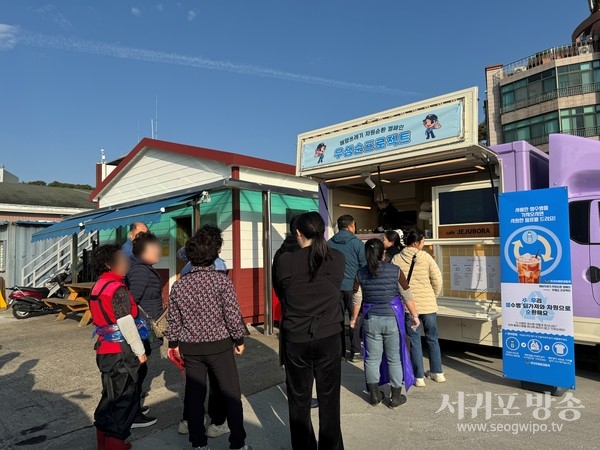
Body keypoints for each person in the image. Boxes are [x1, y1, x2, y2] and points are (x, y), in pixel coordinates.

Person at [166, 225, 250, 450]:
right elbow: (232, 315)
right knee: (231, 394)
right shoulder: (221, 281)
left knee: (194, 397)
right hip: (220, 346)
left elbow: (174, 320)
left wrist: (172, 343)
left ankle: (198, 444)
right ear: (214, 254)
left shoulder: (179, 286)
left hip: (191, 348)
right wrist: (239, 340)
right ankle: (237, 444)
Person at [276, 211, 345, 450]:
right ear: (324, 231)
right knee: (329, 401)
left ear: (298, 233)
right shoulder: (336, 258)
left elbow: (281, 292)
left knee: (299, 401)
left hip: (296, 337)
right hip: (329, 336)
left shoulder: (285, 260)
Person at [89, 244, 148, 450]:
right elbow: (125, 322)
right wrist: (140, 352)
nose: (127, 261)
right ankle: (115, 444)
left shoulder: (99, 285)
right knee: (123, 402)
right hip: (121, 352)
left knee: (109, 399)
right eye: (122, 258)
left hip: (104, 350)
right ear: (108, 264)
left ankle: (105, 444)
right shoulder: (117, 288)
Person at [353, 239, 419, 408]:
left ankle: (375, 396)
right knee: (394, 359)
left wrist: (353, 319)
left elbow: (357, 298)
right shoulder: (395, 271)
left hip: (371, 320)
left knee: (372, 359)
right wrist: (414, 315)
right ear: (383, 253)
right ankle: (395, 397)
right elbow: (407, 295)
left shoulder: (360, 273)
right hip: (392, 320)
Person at [392, 229, 445, 387]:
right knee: (433, 339)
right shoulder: (426, 257)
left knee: (415, 341)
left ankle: (419, 377)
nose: (424, 244)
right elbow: (437, 279)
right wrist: (432, 295)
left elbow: (394, 283)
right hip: (428, 305)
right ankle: (438, 373)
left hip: (409, 306)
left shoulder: (396, 258)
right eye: (423, 242)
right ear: (416, 243)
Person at [125, 232, 163, 428]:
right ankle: (132, 414)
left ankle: (135, 407)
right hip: (141, 329)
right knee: (138, 371)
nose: (158, 250)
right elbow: (131, 302)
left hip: (144, 328)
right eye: (154, 248)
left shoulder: (144, 268)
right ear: (142, 252)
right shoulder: (140, 271)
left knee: (141, 370)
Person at [327, 214, 366, 362]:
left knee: (337, 320)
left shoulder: (329, 243)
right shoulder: (357, 244)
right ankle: (356, 351)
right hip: (353, 287)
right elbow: (364, 266)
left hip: (335, 287)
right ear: (351, 226)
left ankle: (340, 352)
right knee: (355, 318)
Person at [272, 215, 300, 301]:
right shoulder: (308, 251)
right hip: (306, 304)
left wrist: (281, 297)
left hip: (285, 300)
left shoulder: (280, 252)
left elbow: (274, 277)